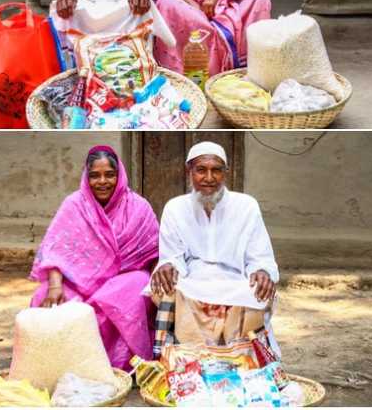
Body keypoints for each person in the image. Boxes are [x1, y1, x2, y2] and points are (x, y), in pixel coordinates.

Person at [29, 146, 159, 370]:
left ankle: (118, 366)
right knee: (43, 294)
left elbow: (155, 253)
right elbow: (56, 249)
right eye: (94, 175)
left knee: (135, 286)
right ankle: (61, 365)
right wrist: (54, 286)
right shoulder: (74, 204)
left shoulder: (138, 207)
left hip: (123, 281)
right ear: (86, 177)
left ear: (120, 176)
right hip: (80, 282)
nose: (102, 181)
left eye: (109, 175)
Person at [148, 141, 281, 354]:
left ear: (225, 173)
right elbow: (172, 255)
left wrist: (262, 270)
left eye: (216, 170)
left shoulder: (246, 206)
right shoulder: (175, 207)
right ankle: (184, 359)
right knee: (165, 287)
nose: (209, 178)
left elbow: (259, 254)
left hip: (235, 279)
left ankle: (244, 360)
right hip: (193, 280)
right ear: (189, 172)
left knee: (258, 291)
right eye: (201, 170)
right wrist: (167, 264)